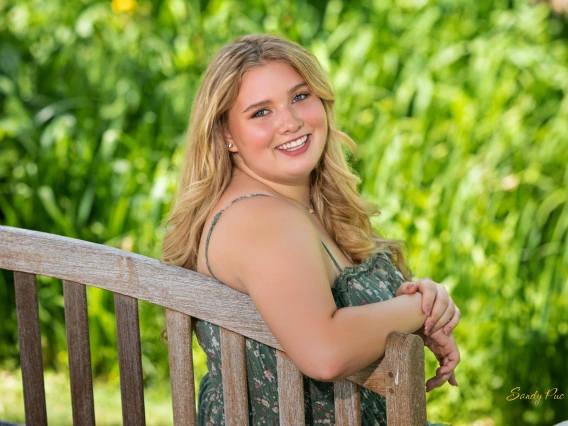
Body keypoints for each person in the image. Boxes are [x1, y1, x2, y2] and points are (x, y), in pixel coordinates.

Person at [161, 33, 461, 426]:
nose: (290, 122)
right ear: (226, 134)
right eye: (260, 112)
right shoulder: (264, 220)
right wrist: (417, 308)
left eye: (300, 97)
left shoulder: (292, 205)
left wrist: (419, 304)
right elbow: (325, 352)